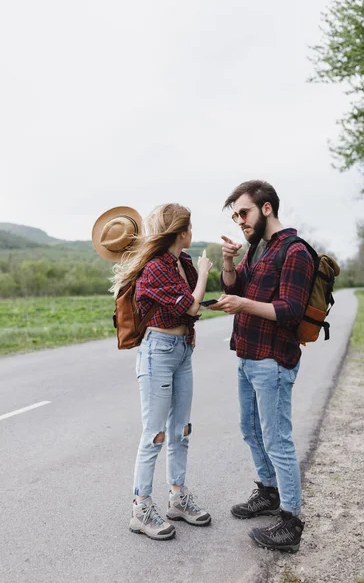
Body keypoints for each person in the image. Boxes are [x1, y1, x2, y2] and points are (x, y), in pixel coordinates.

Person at [209, 180, 314, 553]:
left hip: (273, 360)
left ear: (266, 208)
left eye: (244, 212)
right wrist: (227, 261)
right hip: (248, 356)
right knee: (250, 430)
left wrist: (242, 305)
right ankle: (268, 492)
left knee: (277, 439)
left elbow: (290, 311)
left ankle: (291, 521)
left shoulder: (295, 251)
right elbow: (238, 284)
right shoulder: (258, 250)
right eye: (235, 215)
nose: (239, 220)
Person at [111, 203, 213, 541]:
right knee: (154, 433)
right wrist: (204, 274)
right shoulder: (155, 269)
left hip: (183, 350)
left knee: (181, 429)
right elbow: (192, 305)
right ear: (182, 232)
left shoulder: (182, 263)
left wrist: (206, 272)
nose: (193, 233)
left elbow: (193, 308)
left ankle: (177, 498)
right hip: (158, 352)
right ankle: (140, 508)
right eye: (191, 227)